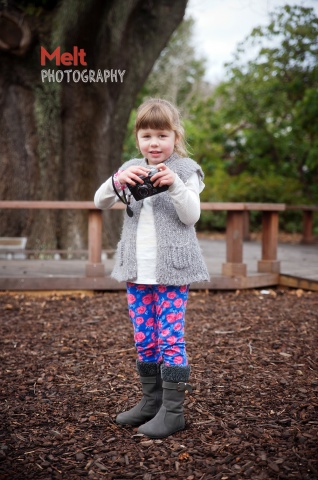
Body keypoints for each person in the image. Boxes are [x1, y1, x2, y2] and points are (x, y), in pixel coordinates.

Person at [94, 98, 209, 439]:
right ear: (137, 138)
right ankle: (151, 402)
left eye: (162, 135)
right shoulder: (131, 167)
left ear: (175, 136)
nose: (154, 143)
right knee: (145, 339)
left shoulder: (187, 170)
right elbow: (99, 202)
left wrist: (173, 184)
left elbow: (192, 216)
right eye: (147, 136)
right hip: (137, 270)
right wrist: (117, 179)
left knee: (169, 338)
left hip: (172, 271)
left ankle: (172, 413)